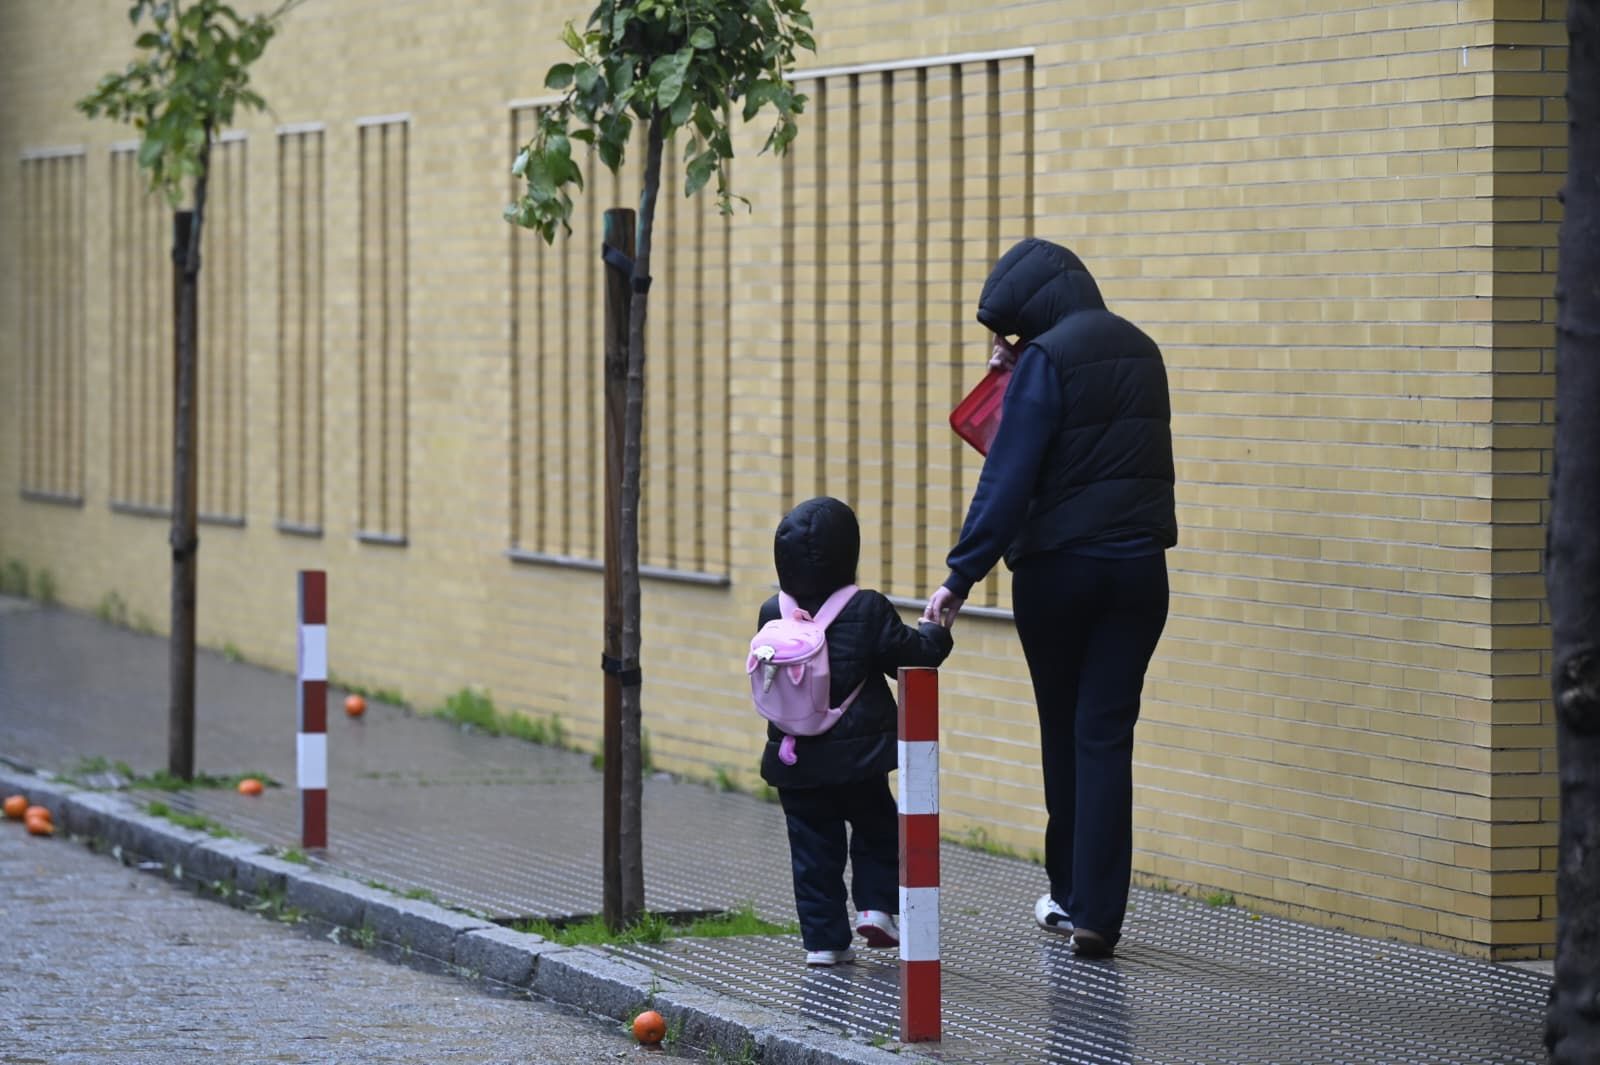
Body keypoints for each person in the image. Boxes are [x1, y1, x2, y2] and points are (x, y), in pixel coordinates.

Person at [923, 238, 1176, 958]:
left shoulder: (1045, 359)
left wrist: (959, 576)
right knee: (1105, 737)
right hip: (1138, 572)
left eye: (1010, 333)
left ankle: (1066, 894)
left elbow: (1009, 473)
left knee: (1062, 729)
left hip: (1060, 572)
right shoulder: (1142, 349)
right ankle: (1098, 913)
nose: (1007, 345)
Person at [759, 496, 954, 966]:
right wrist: (936, 630)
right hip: (857, 761)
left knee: (812, 852)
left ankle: (824, 944)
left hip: (794, 757)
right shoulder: (866, 608)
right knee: (878, 830)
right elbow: (913, 656)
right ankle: (875, 907)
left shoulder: (772, 610)